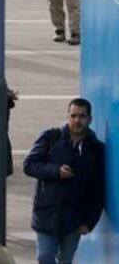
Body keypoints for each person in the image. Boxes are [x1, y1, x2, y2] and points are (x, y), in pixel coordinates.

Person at [23, 99, 106, 264]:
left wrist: (89, 222)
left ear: (90, 119)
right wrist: (55, 171)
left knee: (65, 260)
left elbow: (98, 190)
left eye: (82, 116)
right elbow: (29, 165)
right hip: (47, 214)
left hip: (74, 218)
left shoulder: (96, 149)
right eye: (73, 115)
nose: (77, 120)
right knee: (45, 257)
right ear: (67, 116)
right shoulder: (50, 138)